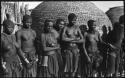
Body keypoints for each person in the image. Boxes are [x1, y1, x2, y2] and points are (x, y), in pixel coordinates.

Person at [61, 13, 84, 77]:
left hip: (75, 50)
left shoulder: (77, 28)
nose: (74, 21)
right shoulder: (65, 28)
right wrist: (75, 39)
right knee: (68, 67)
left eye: (75, 20)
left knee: (74, 67)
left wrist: (71, 39)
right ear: (69, 19)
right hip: (68, 50)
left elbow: (82, 40)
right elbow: (63, 39)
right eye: (73, 20)